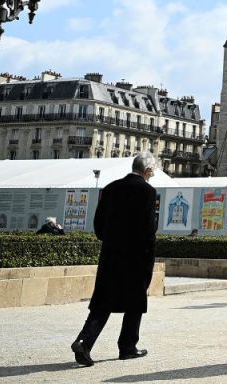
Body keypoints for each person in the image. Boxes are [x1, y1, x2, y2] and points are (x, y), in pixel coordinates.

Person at [71, 153, 157, 367]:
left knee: (103, 302)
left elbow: (98, 224)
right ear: (146, 171)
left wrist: (111, 240)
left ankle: (84, 341)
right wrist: (148, 255)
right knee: (135, 302)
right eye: (152, 172)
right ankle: (127, 347)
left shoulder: (110, 188)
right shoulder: (147, 191)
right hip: (136, 256)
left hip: (111, 254)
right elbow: (149, 229)